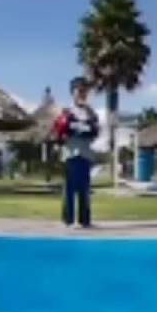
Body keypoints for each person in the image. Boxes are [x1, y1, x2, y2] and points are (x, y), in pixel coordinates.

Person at [50, 77, 100, 228]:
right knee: (69, 189)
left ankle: (85, 220)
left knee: (84, 189)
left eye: (84, 91)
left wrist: (81, 128)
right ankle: (68, 220)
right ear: (72, 92)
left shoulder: (91, 112)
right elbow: (59, 131)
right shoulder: (66, 111)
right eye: (79, 90)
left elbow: (94, 131)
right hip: (70, 154)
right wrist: (74, 128)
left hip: (85, 154)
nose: (82, 93)